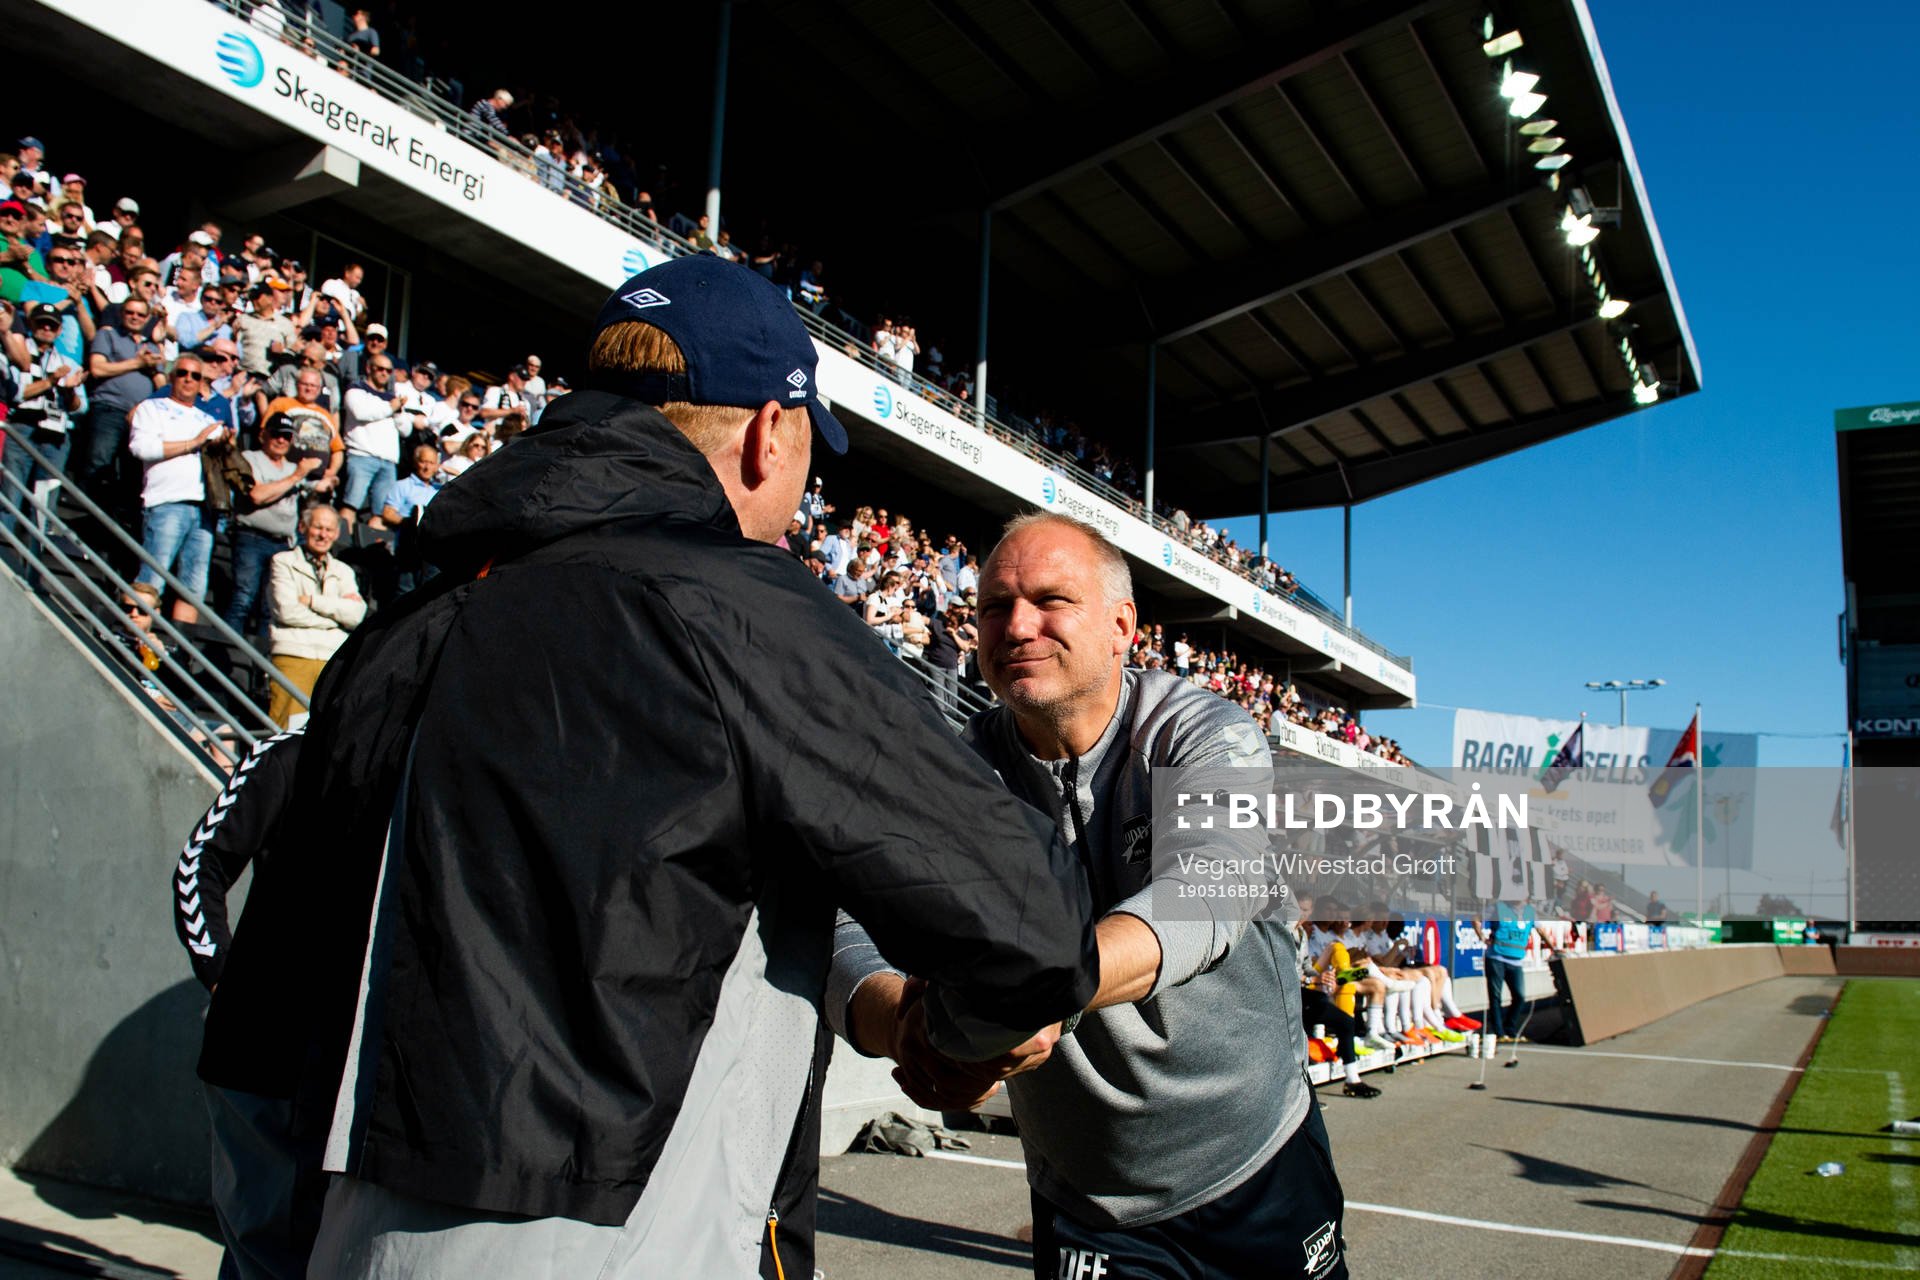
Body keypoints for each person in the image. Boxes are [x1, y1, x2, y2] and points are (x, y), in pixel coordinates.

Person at [201, 257, 1102, 1280]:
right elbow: (1027, 922)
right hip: (614, 1225)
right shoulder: (733, 604)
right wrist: (957, 1035)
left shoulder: (399, 623)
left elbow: (269, 1004)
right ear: (771, 431)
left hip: (332, 1228)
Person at [832, 512, 1348, 1280]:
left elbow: (1210, 892)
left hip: (1255, 1164)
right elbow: (844, 910)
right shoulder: (954, 770)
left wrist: (1042, 992)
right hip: (1087, 1203)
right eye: (995, 607)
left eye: (1049, 600)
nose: (1017, 626)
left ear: (1120, 626)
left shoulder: (1205, 732)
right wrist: (897, 1016)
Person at [169, 726, 330, 1280]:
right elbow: (200, 865)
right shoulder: (293, 752)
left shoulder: (414, 752)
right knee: (266, 1241)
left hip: (345, 1059)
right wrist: (223, 976)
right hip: (262, 1052)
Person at [127, 354, 226, 624]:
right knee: (151, 580)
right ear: (172, 376)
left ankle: (181, 653)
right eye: (183, 373)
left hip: (204, 509)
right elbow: (141, 448)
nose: (189, 379)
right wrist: (193, 442)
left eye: (196, 376)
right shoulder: (152, 408)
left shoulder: (207, 417)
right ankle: (137, 639)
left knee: (192, 589)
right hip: (165, 502)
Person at [265, 504, 363, 726]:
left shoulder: (343, 571)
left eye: (329, 530)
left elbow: (356, 615)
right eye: (318, 527)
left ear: (337, 534)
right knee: (286, 729)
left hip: (332, 657)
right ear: (303, 527)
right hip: (293, 654)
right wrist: (336, 618)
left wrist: (311, 601)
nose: (323, 535)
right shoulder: (283, 561)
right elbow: (287, 611)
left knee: (325, 729)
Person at [225, 416, 319, 641]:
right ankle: (225, 651)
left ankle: (262, 661)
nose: (280, 440)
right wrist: (297, 475)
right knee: (243, 598)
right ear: (262, 435)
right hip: (251, 537)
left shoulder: (293, 467)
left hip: (283, 543)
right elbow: (256, 495)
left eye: (286, 436)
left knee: (273, 606)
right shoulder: (250, 459)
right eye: (276, 434)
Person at [0, 304, 87, 545]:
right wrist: (51, 381)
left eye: (52, 325)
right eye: (41, 323)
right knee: (11, 495)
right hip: (21, 428)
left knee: (43, 506)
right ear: (30, 323)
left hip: (56, 436)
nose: (46, 329)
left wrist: (69, 392)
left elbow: (80, 408)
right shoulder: (16, 352)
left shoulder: (68, 362)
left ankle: (33, 571)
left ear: (60, 331)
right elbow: (15, 393)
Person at [1472, 903, 1562, 1044]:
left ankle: (1510, 1029)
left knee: (1519, 997)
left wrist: (1554, 948)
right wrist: (1482, 938)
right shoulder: (1497, 908)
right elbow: (1476, 919)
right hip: (1496, 957)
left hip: (1516, 960)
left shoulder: (1529, 912)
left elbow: (1541, 931)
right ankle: (1499, 1032)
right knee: (1495, 997)